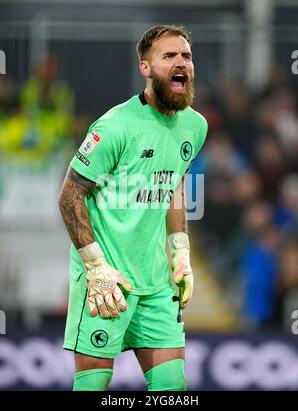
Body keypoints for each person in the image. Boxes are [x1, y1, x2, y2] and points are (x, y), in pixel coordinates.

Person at [58, 24, 208, 391]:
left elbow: (173, 184)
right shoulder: (115, 127)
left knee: (172, 386)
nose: (181, 63)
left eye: (186, 56)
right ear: (145, 68)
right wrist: (95, 266)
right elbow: (70, 195)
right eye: (169, 56)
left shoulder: (195, 126)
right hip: (108, 281)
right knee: (94, 385)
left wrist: (180, 251)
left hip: (156, 282)